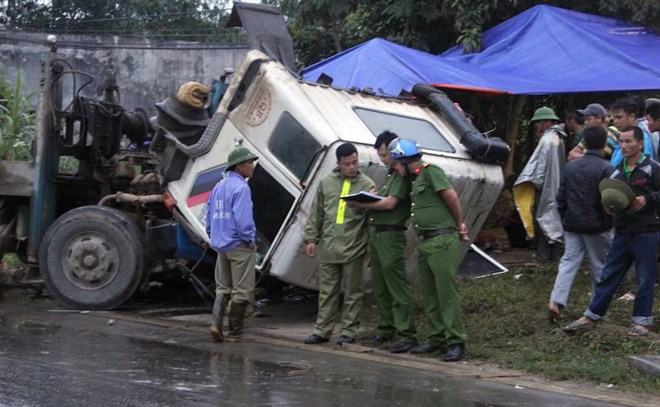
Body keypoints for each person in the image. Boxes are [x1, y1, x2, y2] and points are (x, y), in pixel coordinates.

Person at [563, 126, 660, 337]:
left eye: (628, 141)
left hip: (647, 231)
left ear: (640, 143)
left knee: (645, 278)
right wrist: (608, 208)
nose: (623, 146)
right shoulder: (615, 170)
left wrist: (649, 199)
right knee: (608, 274)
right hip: (623, 231)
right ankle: (592, 316)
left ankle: (642, 322)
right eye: (621, 142)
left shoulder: (652, 168)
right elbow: (608, 196)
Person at [389, 138, 469, 362]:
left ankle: (455, 341)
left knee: (446, 293)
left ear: (405, 161)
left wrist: (459, 224)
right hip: (426, 242)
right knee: (429, 292)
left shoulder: (431, 171)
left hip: (442, 240)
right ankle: (437, 338)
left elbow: (451, 196)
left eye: (396, 163)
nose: (395, 168)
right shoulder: (415, 179)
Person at [348, 131, 417, 354]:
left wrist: (364, 205)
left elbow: (390, 204)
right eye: (381, 156)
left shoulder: (401, 176)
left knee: (396, 285)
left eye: (386, 155)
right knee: (380, 284)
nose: (384, 159)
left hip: (391, 234)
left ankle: (406, 333)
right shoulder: (390, 175)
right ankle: (386, 327)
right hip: (377, 234)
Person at [303, 142, 375, 346]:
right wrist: (311, 239)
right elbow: (316, 213)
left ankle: (348, 331)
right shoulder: (326, 183)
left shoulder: (367, 184)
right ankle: (322, 330)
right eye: (347, 164)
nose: (352, 167)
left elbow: (371, 220)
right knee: (327, 291)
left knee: (353, 291)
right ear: (338, 164)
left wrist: (369, 249)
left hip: (354, 246)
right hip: (329, 246)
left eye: (355, 162)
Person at [548, 126, 614, 321]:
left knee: (568, 262)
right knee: (600, 266)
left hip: (572, 223)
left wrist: (564, 216)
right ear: (604, 145)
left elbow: (561, 197)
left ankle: (556, 301)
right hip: (597, 226)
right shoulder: (606, 168)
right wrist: (608, 221)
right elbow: (608, 201)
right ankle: (596, 308)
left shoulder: (571, 167)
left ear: (584, 143)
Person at [206, 146, 259, 342]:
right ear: (239, 166)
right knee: (242, 290)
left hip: (221, 245)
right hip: (239, 246)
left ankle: (215, 324)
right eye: (249, 163)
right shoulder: (242, 188)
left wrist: (213, 235)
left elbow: (209, 214)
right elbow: (244, 220)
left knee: (222, 288)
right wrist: (250, 240)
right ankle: (234, 332)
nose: (252, 166)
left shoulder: (219, 186)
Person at [513, 106, 566, 264]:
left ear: (545, 123)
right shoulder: (559, 138)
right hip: (557, 189)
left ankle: (544, 263)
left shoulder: (547, 140)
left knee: (544, 223)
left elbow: (537, 169)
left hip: (546, 191)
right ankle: (555, 264)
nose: (536, 127)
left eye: (538, 123)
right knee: (555, 224)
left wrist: (527, 182)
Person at [609, 97, 655, 166]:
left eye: (619, 117)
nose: (615, 121)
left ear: (632, 116)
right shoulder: (622, 135)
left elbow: (645, 168)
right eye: (614, 118)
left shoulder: (642, 137)